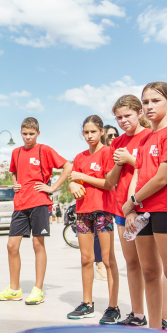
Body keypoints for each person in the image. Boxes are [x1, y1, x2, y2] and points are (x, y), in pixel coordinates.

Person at [120, 82, 167, 333]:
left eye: (156, 101)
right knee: (150, 272)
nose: (149, 106)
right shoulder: (145, 138)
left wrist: (132, 201)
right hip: (143, 211)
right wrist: (132, 209)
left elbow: (162, 178)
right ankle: (154, 331)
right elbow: (137, 174)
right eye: (145, 102)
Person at [0, 117, 72, 305]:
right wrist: (15, 183)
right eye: (25, 134)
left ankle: (38, 290)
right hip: (20, 204)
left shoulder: (45, 150)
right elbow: (13, 171)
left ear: (38, 133)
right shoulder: (16, 152)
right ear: (21, 133)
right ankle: (14, 290)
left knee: (38, 245)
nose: (28, 137)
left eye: (31, 134)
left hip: (39, 203)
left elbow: (68, 166)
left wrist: (53, 188)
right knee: (11, 246)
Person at [66, 115, 120, 322]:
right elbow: (73, 182)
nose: (89, 136)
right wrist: (72, 184)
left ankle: (113, 307)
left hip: (103, 210)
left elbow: (108, 183)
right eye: (86, 132)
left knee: (107, 259)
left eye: (93, 132)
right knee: (86, 259)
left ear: (101, 132)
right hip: (83, 212)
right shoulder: (79, 157)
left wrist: (81, 177)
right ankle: (87, 304)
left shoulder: (107, 152)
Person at [103, 95, 151, 326]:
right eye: (119, 117)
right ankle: (137, 314)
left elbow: (153, 172)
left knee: (152, 267)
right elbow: (110, 180)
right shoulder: (117, 142)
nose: (123, 121)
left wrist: (131, 159)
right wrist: (119, 163)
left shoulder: (150, 136)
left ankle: (161, 318)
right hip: (122, 208)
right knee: (132, 263)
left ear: (140, 113)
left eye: (127, 115)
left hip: (146, 207)